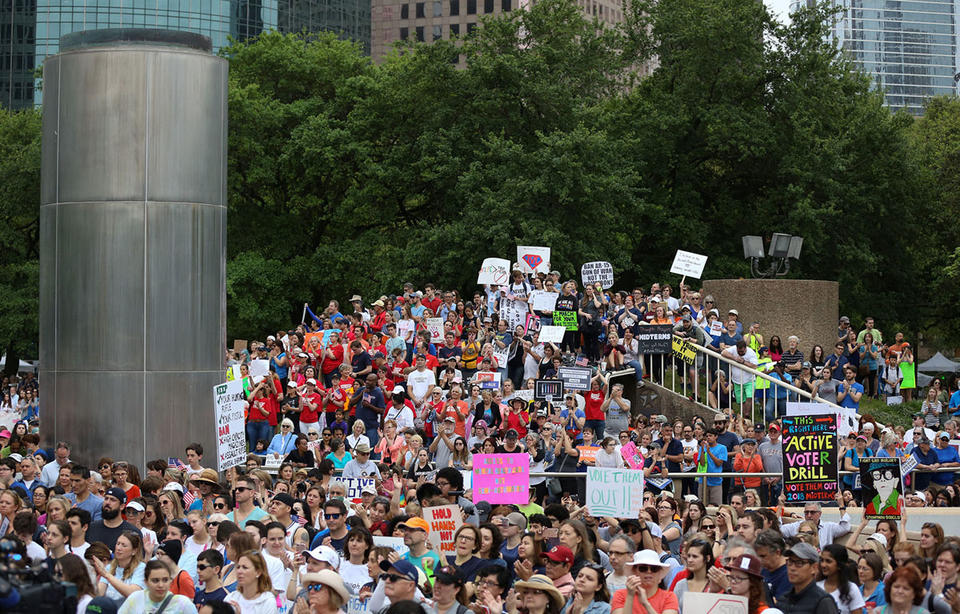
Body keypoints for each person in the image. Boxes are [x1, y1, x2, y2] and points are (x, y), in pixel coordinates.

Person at [778, 543, 839, 614]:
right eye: (790, 562)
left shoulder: (822, 601)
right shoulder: (783, 600)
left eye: (799, 563)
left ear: (814, 568)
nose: (792, 568)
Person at [610, 550, 678, 614]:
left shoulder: (669, 597)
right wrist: (630, 596)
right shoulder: (620, 595)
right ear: (634, 571)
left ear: (659, 573)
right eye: (643, 568)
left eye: (654, 569)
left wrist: (646, 604)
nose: (649, 571)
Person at [118, 559, 196, 614]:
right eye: (155, 580)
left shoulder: (183, 604)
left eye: (165, 580)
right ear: (146, 582)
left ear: (170, 581)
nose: (161, 585)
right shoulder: (135, 598)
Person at [93, 530, 147, 602]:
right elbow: (99, 593)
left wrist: (107, 575)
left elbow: (133, 594)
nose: (118, 548)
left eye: (124, 545)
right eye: (118, 544)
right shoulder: (109, 567)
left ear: (134, 551)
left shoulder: (141, 568)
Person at [817, 544, 865, 614]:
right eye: (822, 560)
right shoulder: (816, 587)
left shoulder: (851, 589)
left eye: (828, 561)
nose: (823, 565)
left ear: (839, 565)